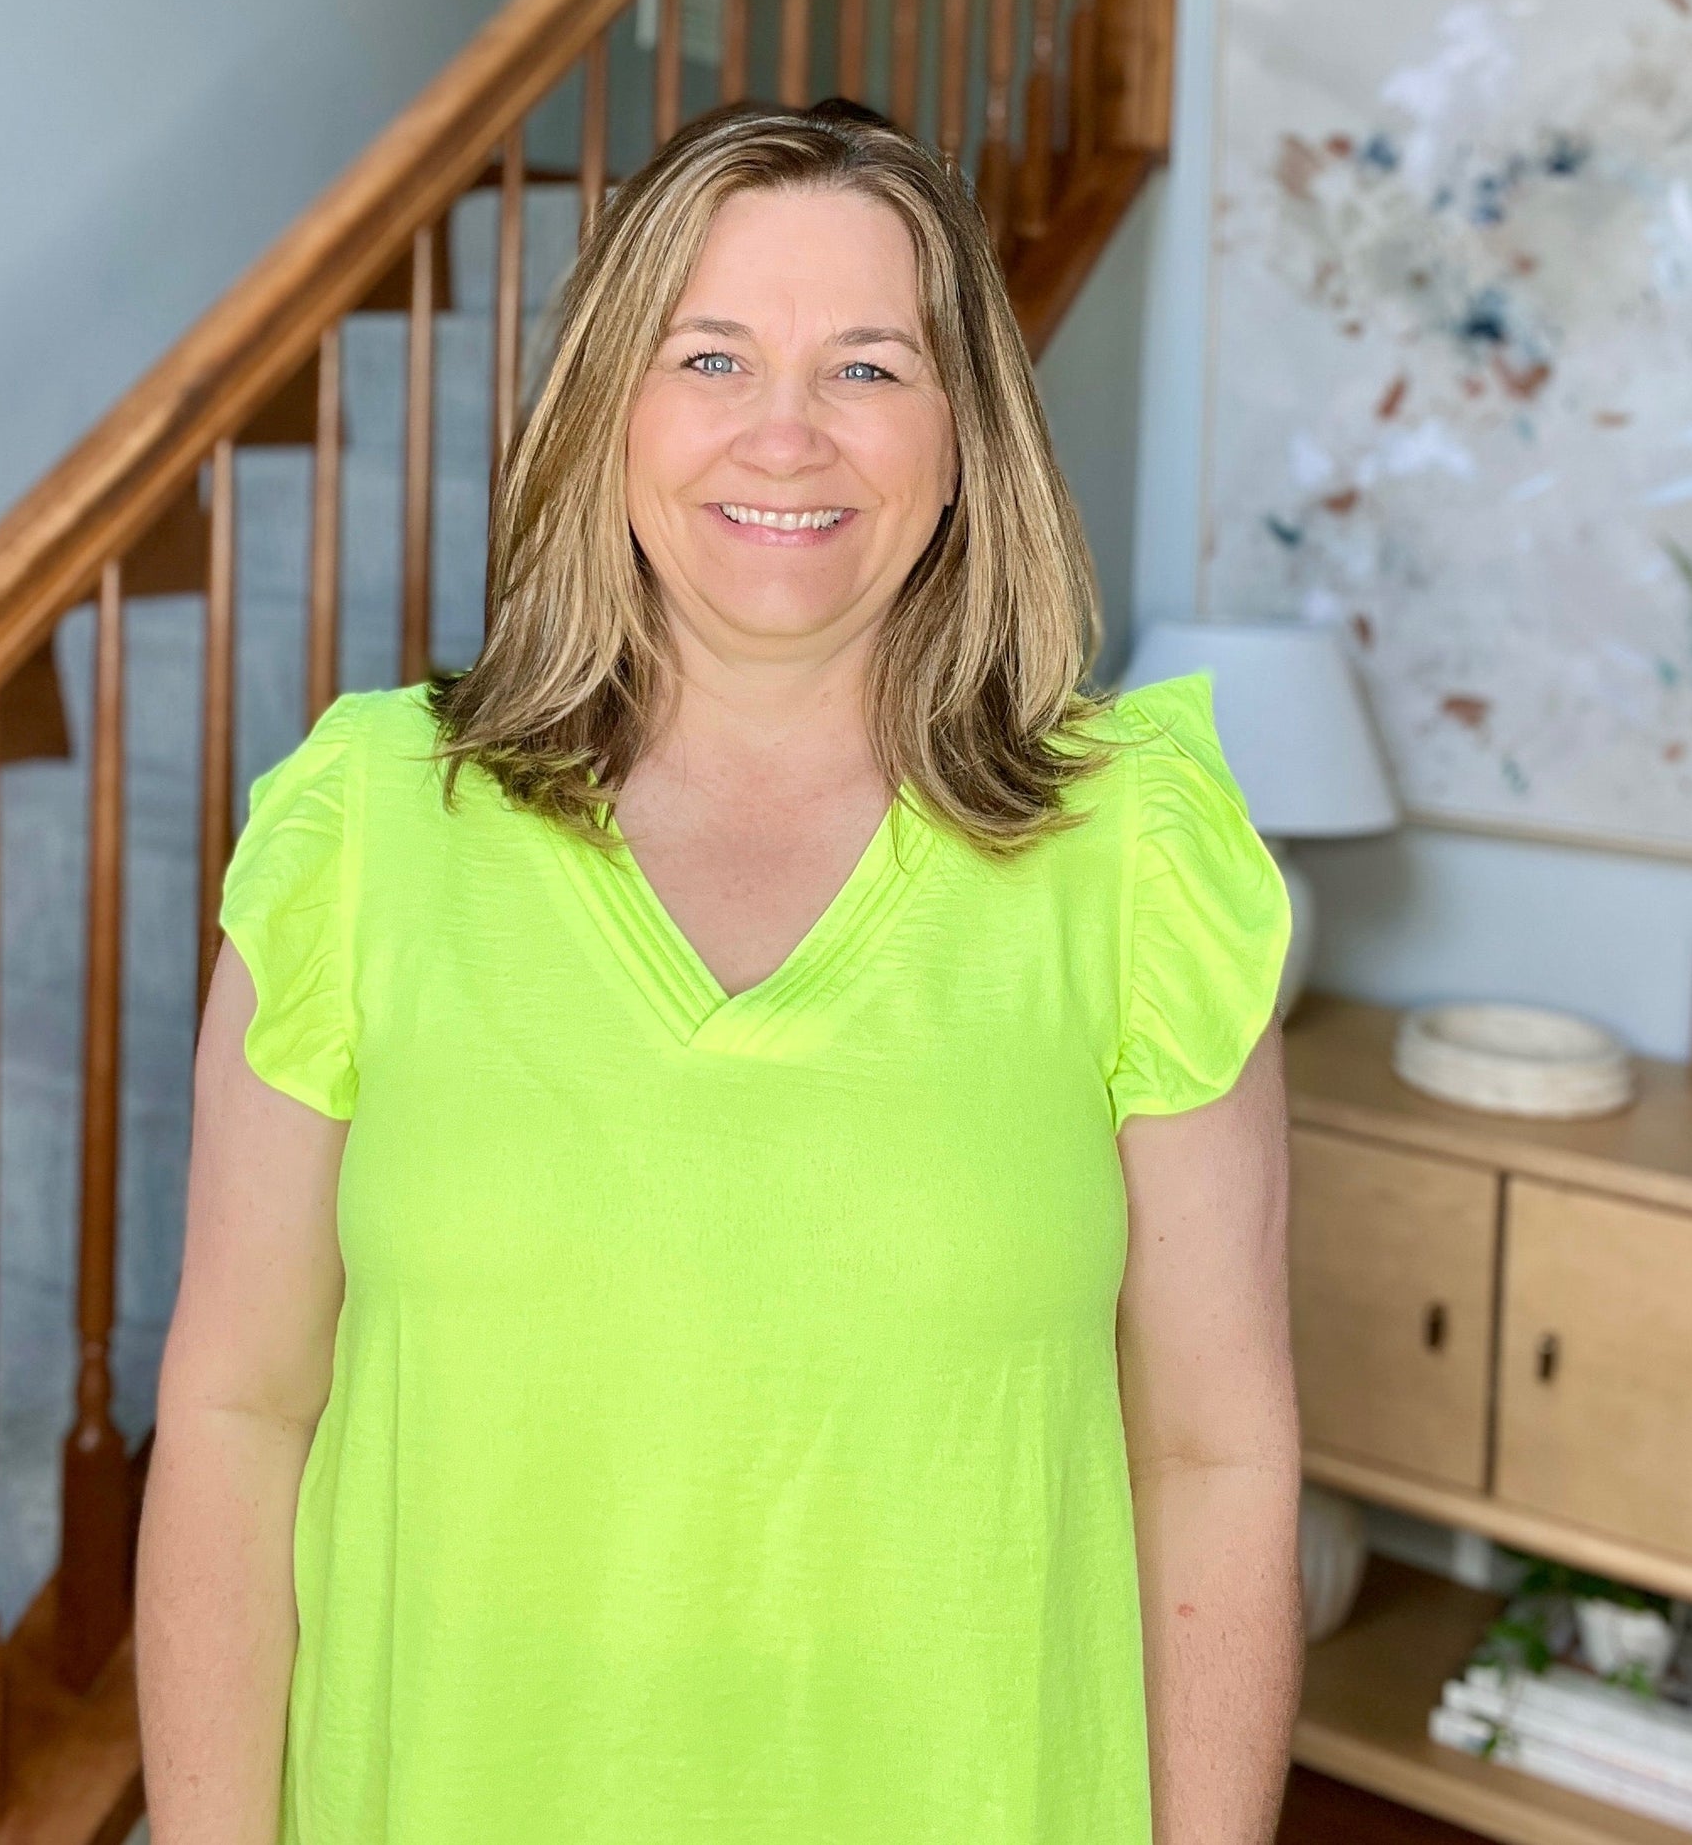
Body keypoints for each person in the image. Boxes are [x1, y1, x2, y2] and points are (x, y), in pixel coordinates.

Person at [134, 96, 1302, 1845]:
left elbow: (1213, 1455)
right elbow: (237, 1410)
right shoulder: (366, 820)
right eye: (710, 356)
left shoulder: (1137, 850)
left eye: (866, 368)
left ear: (964, 436)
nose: (784, 434)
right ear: (608, 409)